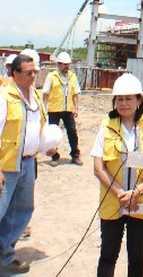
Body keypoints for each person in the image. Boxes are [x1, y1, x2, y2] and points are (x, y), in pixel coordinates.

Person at [91, 73, 143, 277]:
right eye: (120, 99)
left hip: (140, 204)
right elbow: (98, 167)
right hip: (113, 202)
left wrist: (138, 191)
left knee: (136, 257)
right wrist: (120, 194)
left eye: (128, 98)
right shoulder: (106, 127)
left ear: (139, 100)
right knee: (108, 255)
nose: (123, 103)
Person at [0, 54, 49, 274]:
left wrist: (47, 144)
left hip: (28, 163)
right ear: (15, 73)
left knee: (21, 211)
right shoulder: (4, 96)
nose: (33, 76)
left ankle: (5, 255)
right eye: (29, 72)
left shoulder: (35, 95)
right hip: (6, 166)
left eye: (34, 72)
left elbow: (39, 124)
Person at [42, 51, 83, 166]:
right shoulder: (51, 76)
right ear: (58, 64)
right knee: (52, 135)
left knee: (72, 132)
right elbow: (45, 93)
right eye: (64, 64)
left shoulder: (72, 76)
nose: (67, 66)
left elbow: (75, 93)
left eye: (68, 64)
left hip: (68, 109)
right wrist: (43, 109)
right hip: (53, 110)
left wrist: (76, 108)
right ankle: (54, 156)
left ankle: (75, 155)